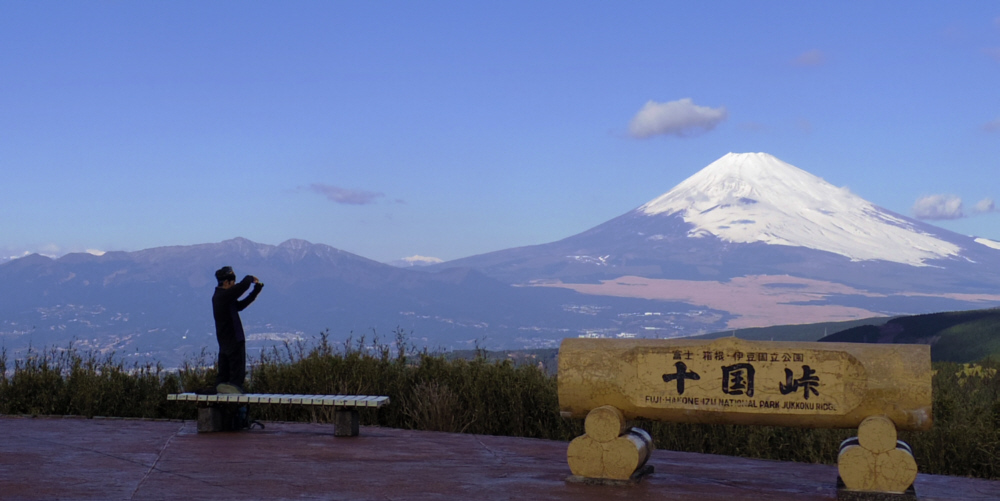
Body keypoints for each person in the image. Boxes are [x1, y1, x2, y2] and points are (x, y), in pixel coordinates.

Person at [212, 266, 263, 394]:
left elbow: (240, 306)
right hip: (234, 339)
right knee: (236, 376)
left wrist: (255, 292)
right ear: (226, 282)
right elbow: (241, 287)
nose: (234, 285)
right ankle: (236, 399)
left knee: (224, 373)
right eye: (232, 283)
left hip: (225, 340)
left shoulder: (221, 297)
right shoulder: (223, 296)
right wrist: (250, 278)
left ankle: (222, 389)